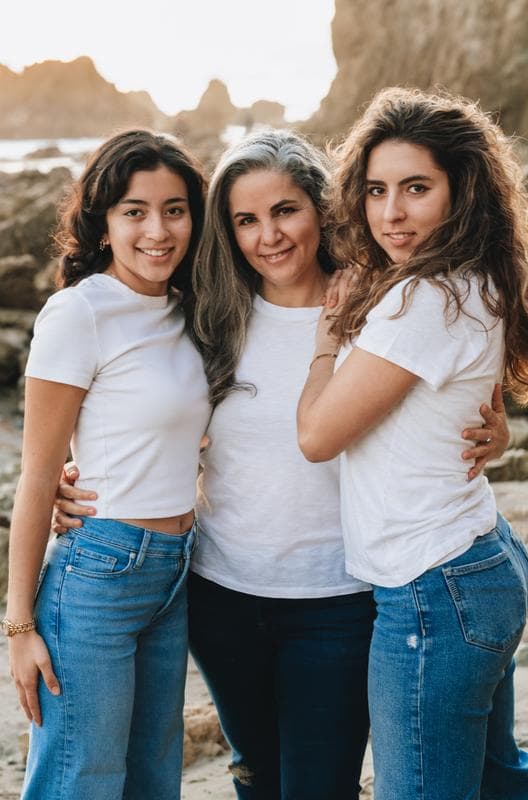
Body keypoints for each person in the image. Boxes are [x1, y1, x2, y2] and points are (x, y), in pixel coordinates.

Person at [53, 128, 510, 800]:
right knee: (256, 775)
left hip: (339, 601)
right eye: (245, 220)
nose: (268, 235)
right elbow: (130, 401)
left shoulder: (379, 305)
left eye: (284, 210)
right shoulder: (205, 316)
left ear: (321, 210)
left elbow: (443, 407)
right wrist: (76, 474)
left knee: (318, 785)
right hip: (221, 595)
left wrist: (493, 437)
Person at [297, 87, 528, 800]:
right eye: (375, 191)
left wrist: (326, 345)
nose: (391, 213)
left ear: (461, 192)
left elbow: (316, 435)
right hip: (479, 559)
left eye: (416, 189)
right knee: (493, 784)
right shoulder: (478, 280)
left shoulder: (424, 299)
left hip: (433, 587)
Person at [4, 129, 210, 800]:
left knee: (153, 777)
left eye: (174, 209)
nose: (158, 229)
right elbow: (38, 474)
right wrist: (20, 626)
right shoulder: (78, 313)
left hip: (176, 571)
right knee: (80, 779)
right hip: (101, 572)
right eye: (135, 211)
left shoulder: (189, 308)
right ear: (102, 222)